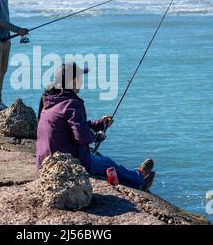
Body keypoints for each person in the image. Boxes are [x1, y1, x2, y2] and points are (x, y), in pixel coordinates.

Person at [36, 63, 156, 191]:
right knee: (106, 163)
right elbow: (82, 136)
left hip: (43, 164)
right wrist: (95, 136)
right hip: (65, 164)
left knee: (102, 164)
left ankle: (137, 183)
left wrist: (100, 124)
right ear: (74, 81)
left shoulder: (49, 99)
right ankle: (139, 177)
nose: (82, 82)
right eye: (80, 78)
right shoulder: (71, 103)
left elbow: (69, 128)